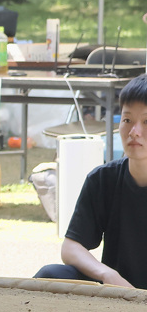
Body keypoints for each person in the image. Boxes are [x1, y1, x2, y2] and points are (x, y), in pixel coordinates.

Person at [33, 75, 147, 289]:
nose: (135, 132)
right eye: (127, 120)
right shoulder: (103, 180)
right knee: (51, 274)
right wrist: (108, 275)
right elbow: (71, 247)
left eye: (146, 122)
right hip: (116, 293)